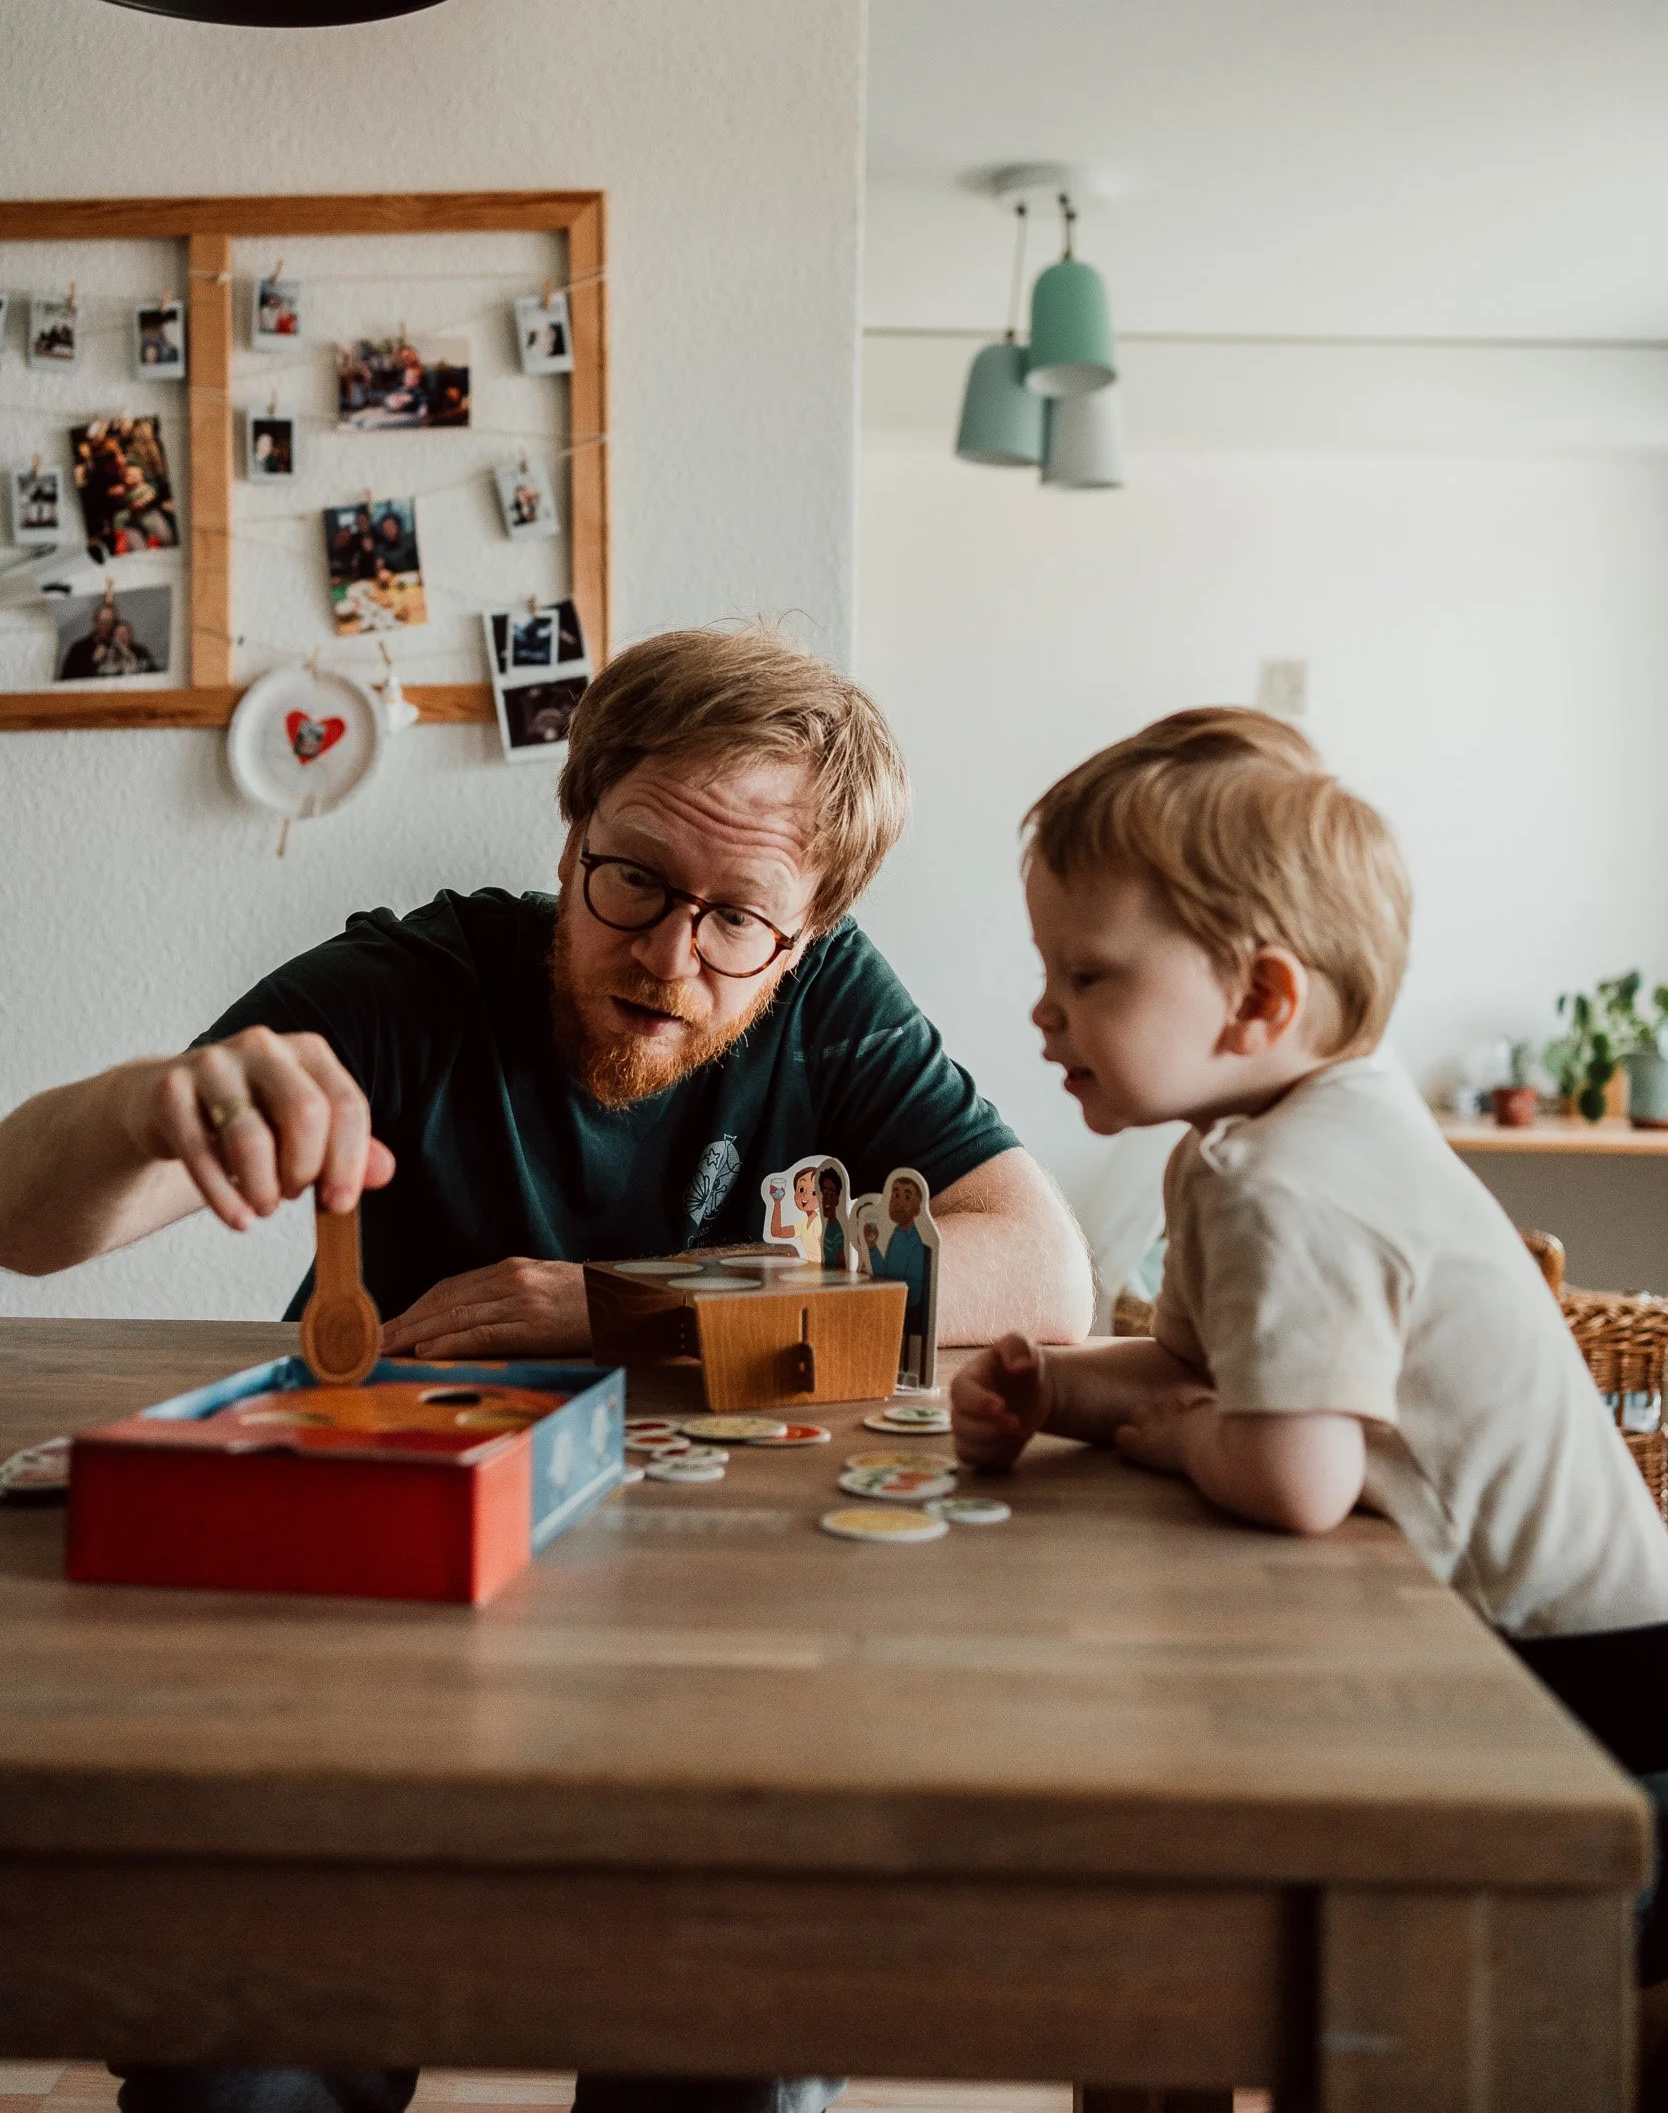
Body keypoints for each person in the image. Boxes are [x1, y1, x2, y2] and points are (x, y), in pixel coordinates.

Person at [0, 623, 1092, 2113]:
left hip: (717, 1653)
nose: (669, 956)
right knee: (243, 2058)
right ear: (572, 828)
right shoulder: (412, 985)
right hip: (375, 1638)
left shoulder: (832, 1002)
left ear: (810, 933)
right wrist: (147, 1108)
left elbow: (1044, 1269)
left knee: (737, 2039)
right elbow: (28, 1226)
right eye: (632, 878)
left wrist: (614, 1308)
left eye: (738, 919)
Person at [950, 705, 1668, 1992]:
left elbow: (1294, 1476)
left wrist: (1183, 1442)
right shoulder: (1258, 1144)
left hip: (1586, 1712)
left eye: (1090, 976)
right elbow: (1197, 1376)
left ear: (1260, 999)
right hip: (1543, 1664)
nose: (1044, 1012)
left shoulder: (1287, 1181)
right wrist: (1052, 1388)